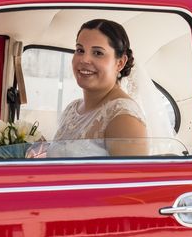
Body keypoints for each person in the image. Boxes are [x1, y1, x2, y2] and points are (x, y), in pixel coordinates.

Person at [48, 19, 149, 157]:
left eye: (98, 53)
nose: (84, 59)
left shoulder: (123, 116)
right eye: (80, 50)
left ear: (120, 63)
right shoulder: (72, 109)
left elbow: (131, 177)